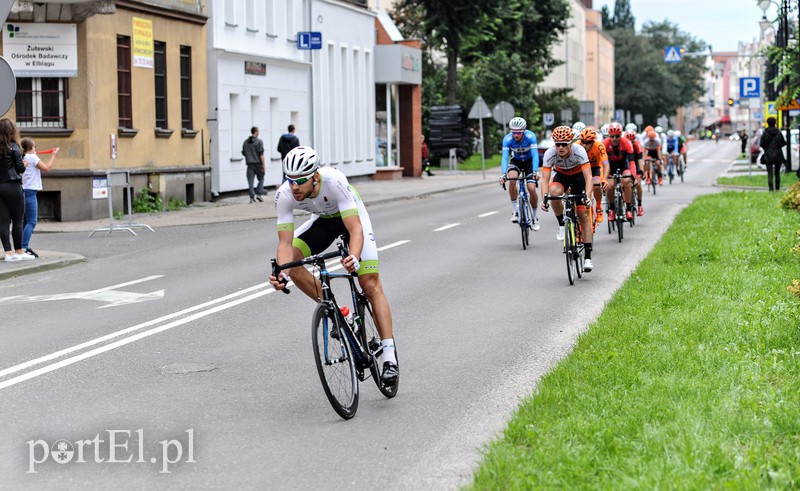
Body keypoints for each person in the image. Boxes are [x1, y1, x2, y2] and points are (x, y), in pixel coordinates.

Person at [268, 146, 398, 386]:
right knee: (293, 261)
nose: (294, 186)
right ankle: (337, 314)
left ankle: (389, 356)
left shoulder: (334, 181)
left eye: (300, 181)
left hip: (351, 219)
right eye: (290, 180)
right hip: (322, 223)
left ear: (315, 177)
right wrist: (282, 273)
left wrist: (355, 257)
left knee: (369, 284)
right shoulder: (284, 195)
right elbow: (285, 243)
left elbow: (355, 229)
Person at [540, 125, 594, 272]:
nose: (561, 147)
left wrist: (587, 197)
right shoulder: (550, 153)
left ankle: (588, 257)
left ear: (571, 143)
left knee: (583, 214)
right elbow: (544, 180)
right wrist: (544, 199)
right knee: (553, 192)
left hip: (578, 177)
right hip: (562, 175)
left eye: (564, 144)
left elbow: (588, 177)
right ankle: (562, 225)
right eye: (558, 144)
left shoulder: (580, 151)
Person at [0, 119, 34, 262]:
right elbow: (20, 169)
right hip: (13, 186)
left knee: (3, 221)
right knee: (18, 220)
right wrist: (24, 164)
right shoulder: (13, 147)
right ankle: (19, 251)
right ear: (12, 131)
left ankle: (8, 253)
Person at [20, 138, 59, 258]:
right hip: (30, 192)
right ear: (31, 148)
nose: (36, 148)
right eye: (34, 146)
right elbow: (47, 168)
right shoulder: (32, 158)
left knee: (25, 222)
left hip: (23, 191)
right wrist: (54, 155)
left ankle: (21, 247)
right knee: (31, 222)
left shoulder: (23, 158)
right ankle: (24, 248)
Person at [499, 117, 540, 229]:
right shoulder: (507, 139)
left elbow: (535, 155)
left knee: (531, 188)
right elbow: (505, 158)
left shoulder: (530, 136)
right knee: (512, 179)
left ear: (524, 130)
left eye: (518, 132)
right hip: (516, 161)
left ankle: (535, 217)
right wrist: (503, 174)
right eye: (513, 132)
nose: (516, 135)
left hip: (529, 162)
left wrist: (535, 171)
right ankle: (515, 211)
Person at [602, 122, 637, 222]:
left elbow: (632, 162)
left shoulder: (626, 143)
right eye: (612, 136)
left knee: (627, 182)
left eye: (617, 136)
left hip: (623, 165)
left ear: (620, 135)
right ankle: (612, 208)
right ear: (609, 136)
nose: (614, 139)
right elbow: (602, 164)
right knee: (609, 185)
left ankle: (629, 208)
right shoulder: (604, 144)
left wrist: (633, 176)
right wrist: (602, 177)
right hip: (610, 166)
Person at [578, 127, 609, 223]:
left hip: (595, 168)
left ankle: (599, 206)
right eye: (582, 141)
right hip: (581, 169)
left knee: (596, 184)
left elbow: (606, 164)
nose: (584, 145)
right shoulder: (577, 146)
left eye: (587, 143)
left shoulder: (599, 146)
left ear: (593, 142)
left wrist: (604, 178)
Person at [759, 116, 786, 192]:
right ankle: (777, 189)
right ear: (775, 123)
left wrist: (767, 148)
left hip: (768, 155)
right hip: (778, 154)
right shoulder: (778, 132)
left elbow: (761, 144)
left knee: (770, 173)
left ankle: (771, 189)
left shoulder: (765, 133)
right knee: (777, 173)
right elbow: (783, 143)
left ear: (767, 123)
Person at [624, 129, 645, 216]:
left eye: (632, 141)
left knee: (638, 184)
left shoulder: (637, 145)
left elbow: (640, 160)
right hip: (626, 164)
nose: (630, 143)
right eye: (628, 141)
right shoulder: (623, 145)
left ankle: (639, 205)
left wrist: (641, 171)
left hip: (635, 163)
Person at [242, 126, 266, 203]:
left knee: (250, 181)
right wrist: (263, 165)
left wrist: (249, 157)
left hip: (250, 164)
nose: (259, 132)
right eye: (258, 131)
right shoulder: (259, 142)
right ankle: (259, 194)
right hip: (258, 163)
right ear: (255, 132)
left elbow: (243, 152)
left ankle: (252, 197)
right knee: (261, 178)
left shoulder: (245, 142)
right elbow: (261, 154)